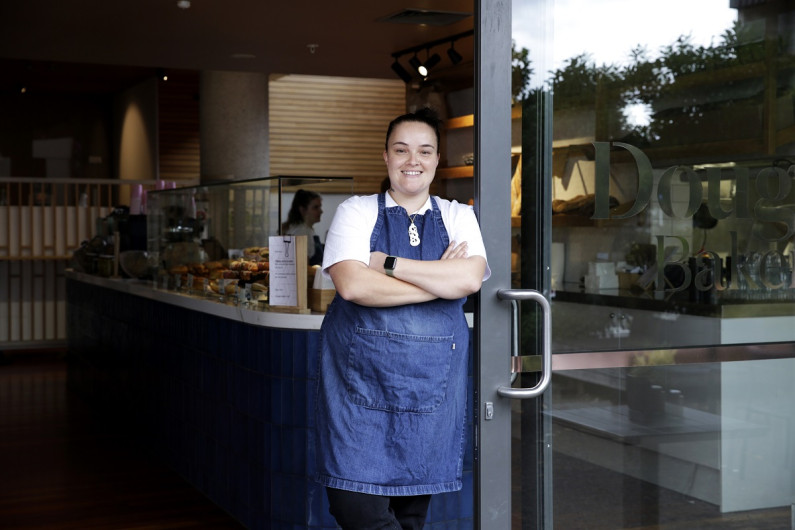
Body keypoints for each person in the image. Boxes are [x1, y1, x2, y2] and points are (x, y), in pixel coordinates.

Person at [315, 107, 490, 529]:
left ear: (436, 159)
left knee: (409, 516)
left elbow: (468, 278)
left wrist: (386, 263)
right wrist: (436, 284)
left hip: (428, 389)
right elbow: (354, 286)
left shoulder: (458, 215)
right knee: (353, 506)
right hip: (359, 389)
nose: (413, 160)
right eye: (402, 150)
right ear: (386, 157)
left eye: (425, 151)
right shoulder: (355, 211)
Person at [282, 189, 324, 265]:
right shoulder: (301, 232)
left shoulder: (307, 230)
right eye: (315, 207)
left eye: (320, 207)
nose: (321, 211)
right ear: (303, 210)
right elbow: (303, 267)